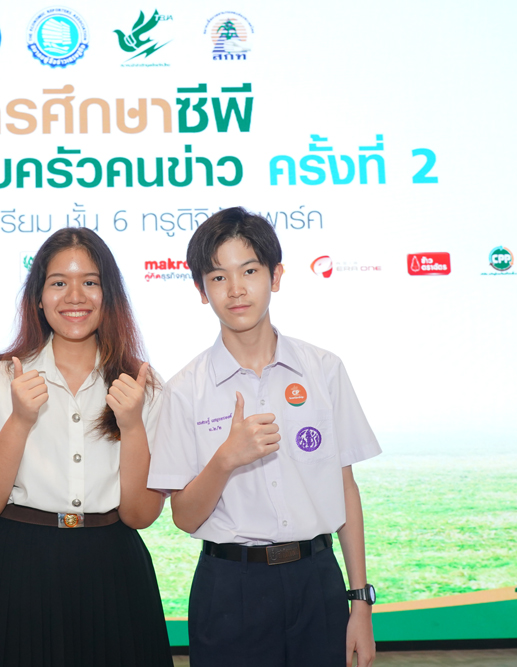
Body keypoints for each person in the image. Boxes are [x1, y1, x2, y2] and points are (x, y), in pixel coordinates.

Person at [147, 207, 381, 667]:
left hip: (317, 580)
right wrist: (225, 460)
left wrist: (360, 603)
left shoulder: (324, 370)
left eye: (249, 271)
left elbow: (345, 488)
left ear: (275, 276)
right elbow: (184, 518)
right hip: (230, 587)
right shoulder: (183, 390)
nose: (236, 289)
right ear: (200, 290)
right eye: (218, 277)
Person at [0, 227, 173, 667]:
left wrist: (132, 424)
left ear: (110, 296)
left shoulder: (142, 386)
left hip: (112, 570)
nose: (75, 296)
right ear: (38, 296)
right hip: (10, 569)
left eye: (90, 282)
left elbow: (141, 515)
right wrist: (20, 420)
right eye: (58, 283)